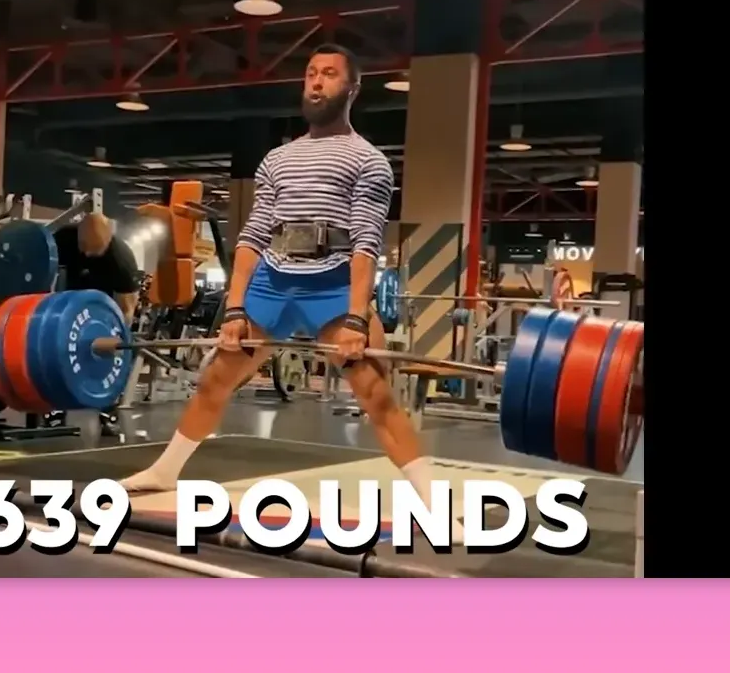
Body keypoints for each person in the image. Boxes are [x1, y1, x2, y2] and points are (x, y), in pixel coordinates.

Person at [120, 43, 465, 542]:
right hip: (274, 282)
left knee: (375, 392)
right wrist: (235, 306)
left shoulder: (369, 162)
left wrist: (354, 317)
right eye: (310, 74)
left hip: (333, 284)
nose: (316, 82)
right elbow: (253, 234)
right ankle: (164, 471)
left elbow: (367, 240)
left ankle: (436, 504)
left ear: (351, 88)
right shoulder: (277, 160)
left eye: (328, 74)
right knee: (216, 377)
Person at [43, 210, 139, 435]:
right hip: (66, 306)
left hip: (103, 312)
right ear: (78, 234)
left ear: (107, 240)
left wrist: (117, 338)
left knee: (114, 355)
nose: (86, 253)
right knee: (54, 353)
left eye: (93, 250)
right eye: (83, 245)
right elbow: (41, 274)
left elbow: (127, 308)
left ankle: (107, 412)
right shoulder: (63, 239)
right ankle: (55, 411)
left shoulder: (121, 259)